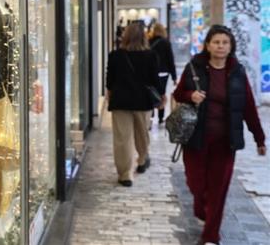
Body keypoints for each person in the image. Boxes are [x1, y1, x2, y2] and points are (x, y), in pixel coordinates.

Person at [174, 25, 266, 245]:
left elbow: (248, 107)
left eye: (225, 42)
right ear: (207, 45)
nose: (220, 46)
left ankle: (211, 235)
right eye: (216, 42)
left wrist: (259, 138)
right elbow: (178, 94)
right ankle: (202, 208)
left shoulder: (238, 72)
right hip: (196, 138)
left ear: (231, 46)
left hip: (225, 141)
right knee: (196, 183)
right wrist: (191, 95)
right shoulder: (194, 67)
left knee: (218, 188)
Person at [106, 22, 161, 187]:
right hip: (143, 101)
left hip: (120, 101)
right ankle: (143, 159)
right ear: (144, 37)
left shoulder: (115, 55)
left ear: (126, 36)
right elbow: (155, 81)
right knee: (142, 133)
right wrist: (161, 96)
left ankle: (125, 174)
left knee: (123, 138)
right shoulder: (151, 55)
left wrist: (110, 95)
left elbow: (110, 80)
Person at [149, 23, 177, 124]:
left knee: (152, 92)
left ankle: (151, 115)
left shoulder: (149, 42)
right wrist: (174, 77)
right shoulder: (166, 43)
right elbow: (170, 59)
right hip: (163, 72)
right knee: (162, 93)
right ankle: (161, 117)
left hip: (151, 71)